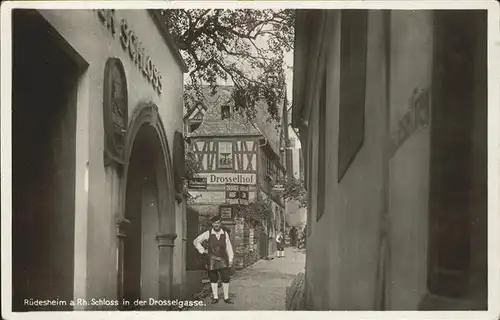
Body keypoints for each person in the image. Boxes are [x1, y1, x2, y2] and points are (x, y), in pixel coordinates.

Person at [193, 216, 234, 304]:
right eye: (215, 223)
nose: (217, 225)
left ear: (220, 224)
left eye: (218, 223)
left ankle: (226, 297)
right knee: (213, 278)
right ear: (212, 224)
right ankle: (215, 297)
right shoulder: (208, 233)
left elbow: (229, 247)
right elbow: (196, 241)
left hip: (223, 259)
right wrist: (203, 251)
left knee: (226, 278)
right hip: (212, 260)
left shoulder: (225, 234)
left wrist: (230, 259)